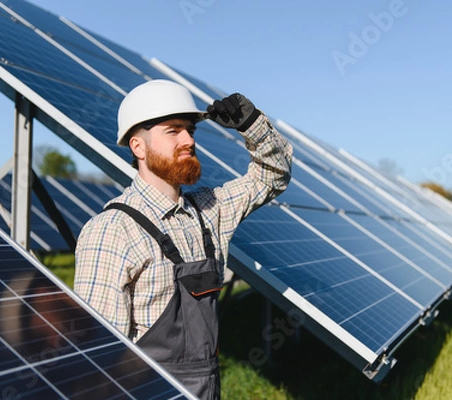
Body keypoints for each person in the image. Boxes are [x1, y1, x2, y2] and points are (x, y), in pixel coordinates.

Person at [74, 79, 292, 399]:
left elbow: (272, 176)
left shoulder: (209, 211)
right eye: (173, 130)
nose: (188, 140)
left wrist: (253, 126)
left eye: (191, 130)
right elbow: (99, 358)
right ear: (138, 147)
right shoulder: (112, 231)